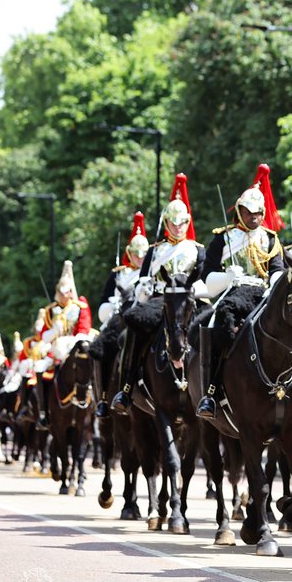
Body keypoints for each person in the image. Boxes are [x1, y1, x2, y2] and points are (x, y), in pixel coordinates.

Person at [194, 165, 288, 418]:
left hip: (263, 294)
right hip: (233, 294)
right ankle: (211, 392)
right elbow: (208, 274)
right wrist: (227, 277)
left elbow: (278, 268)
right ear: (239, 211)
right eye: (249, 212)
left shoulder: (270, 239)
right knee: (216, 322)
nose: (254, 217)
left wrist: (274, 287)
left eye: (258, 213)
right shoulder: (223, 238)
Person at [111, 173, 205, 413]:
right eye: (174, 223)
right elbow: (145, 278)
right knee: (134, 330)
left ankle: (213, 388)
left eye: (182, 222)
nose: (178, 227)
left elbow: (204, 277)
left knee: (213, 328)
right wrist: (144, 287)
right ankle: (128, 386)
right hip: (160, 300)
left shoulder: (197, 249)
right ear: (167, 224)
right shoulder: (155, 251)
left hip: (189, 300)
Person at [93, 211, 150, 418]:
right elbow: (103, 304)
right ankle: (104, 397)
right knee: (103, 346)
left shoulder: (152, 269)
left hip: (143, 312)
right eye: (137, 254)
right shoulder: (119, 273)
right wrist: (112, 303)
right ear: (129, 252)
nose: (140, 258)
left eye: (144, 255)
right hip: (120, 316)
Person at [37, 260, 93, 378]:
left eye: (66, 293)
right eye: (61, 293)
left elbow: (84, 327)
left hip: (75, 343)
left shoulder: (80, 307)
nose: (63, 296)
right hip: (55, 348)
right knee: (40, 371)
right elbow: (43, 335)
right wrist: (54, 331)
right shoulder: (51, 310)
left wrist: (74, 342)